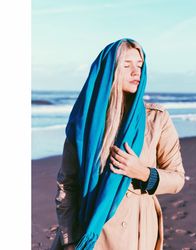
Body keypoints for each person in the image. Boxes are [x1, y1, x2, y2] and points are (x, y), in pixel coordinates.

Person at [50, 38, 185, 250]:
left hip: (138, 233)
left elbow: (177, 179)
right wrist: (71, 241)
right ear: (109, 70)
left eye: (139, 65)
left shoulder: (157, 119)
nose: (136, 72)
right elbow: (67, 185)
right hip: (90, 231)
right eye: (126, 65)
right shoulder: (84, 122)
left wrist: (143, 173)